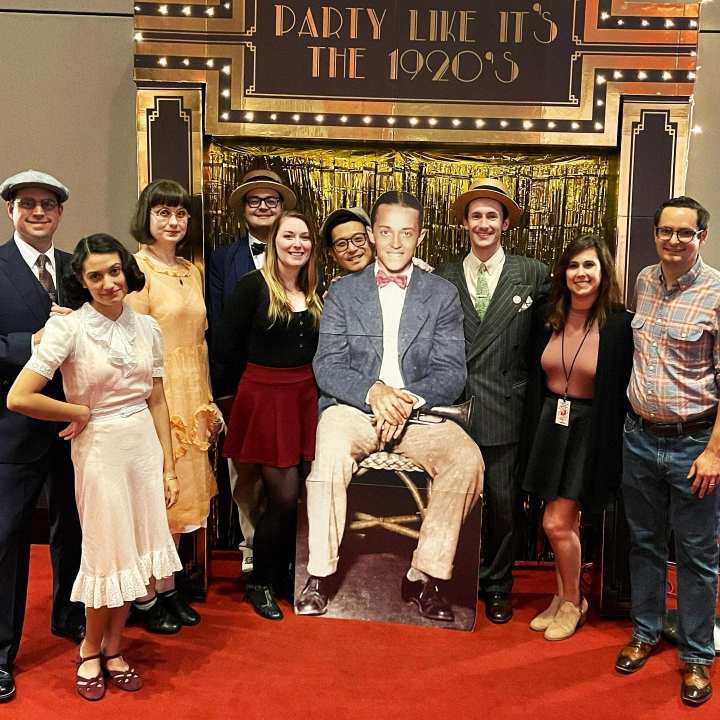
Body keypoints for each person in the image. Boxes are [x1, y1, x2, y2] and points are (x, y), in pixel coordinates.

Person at [7, 234, 181, 701]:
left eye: (114, 271)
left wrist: (168, 467)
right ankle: (89, 649)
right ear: (80, 282)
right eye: (95, 276)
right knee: (108, 554)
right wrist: (78, 413)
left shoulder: (147, 328)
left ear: (127, 269)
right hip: (99, 448)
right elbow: (19, 396)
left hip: (142, 445)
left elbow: (158, 400)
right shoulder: (68, 328)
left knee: (137, 554)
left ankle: (116, 647)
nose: (108, 283)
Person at [296, 191, 484, 622]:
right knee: (328, 455)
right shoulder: (344, 293)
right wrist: (374, 392)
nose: (396, 243)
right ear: (372, 235)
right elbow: (327, 366)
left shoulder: (442, 294)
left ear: (421, 236)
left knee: (466, 459)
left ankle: (425, 576)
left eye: (406, 233)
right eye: (385, 232)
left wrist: (406, 401)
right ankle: (321, 574)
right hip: (355, 408)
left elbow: (451, 373)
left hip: (419, 413)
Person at [615, 196, 720, 706]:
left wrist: (715, 452)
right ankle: (645, 632)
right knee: (644, 544)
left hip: (695, 444)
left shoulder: (717, 293)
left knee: (698, 557)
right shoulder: (644, 281)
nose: (673, 241)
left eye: (685, 232)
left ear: (702, 236)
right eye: (665, 232)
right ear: (654, 234)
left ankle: (698, 656)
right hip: (639, 438)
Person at [436, 179, 549, 624]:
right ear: (464, 222)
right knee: (454, 501)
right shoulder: (442, 276)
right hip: (452, 409)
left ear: (505, 224)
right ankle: (452, 577)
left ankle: (497, 583)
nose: (484, 224)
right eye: (476, 215)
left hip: (506, 408)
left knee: (503, 505)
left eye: (492, 216)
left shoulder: (534, 273)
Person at [521, 235, 632, 640]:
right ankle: (561, 594)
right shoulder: (546, 316)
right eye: (573, 266)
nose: (580, 274)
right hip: (551, 423)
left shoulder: (619, 325)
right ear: (562, 273)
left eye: (589, 266)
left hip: (590, 429)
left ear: (603, 273)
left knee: (557, 523)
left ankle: (574, 603)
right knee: (559, 522)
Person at [0, 170, 84, 704]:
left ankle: (69, 616)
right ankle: (1, 653)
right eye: (27, 203)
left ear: (59, 212)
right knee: (5, 540)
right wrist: (26, 341)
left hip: (74, 421)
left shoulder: (78, 268)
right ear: (10, 209)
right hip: (12, 427)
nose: (37, 212)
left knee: (73, 527)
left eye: (48, 204)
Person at [125, 179, 221, 632]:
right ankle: (144, 598)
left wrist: (207, 398)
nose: (172, 221)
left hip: (193, 392)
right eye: (162, 212)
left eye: (180, 214)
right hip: (156, 395)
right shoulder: (136, 268)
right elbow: (133, 345)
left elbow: (200, 339)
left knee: (185, 502)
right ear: (146, 216)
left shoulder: (191, 268)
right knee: (156, 501)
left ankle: (168, 588)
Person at [217, 210, 322, 620]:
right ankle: (259, 580)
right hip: (263, 398)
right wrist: (229, 405)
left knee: (295, 498)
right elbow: (225, 349)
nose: (297, 243)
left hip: (304, 397)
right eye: (288, 235)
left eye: (304, 237)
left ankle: (278, 572)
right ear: (274, 240)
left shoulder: (314, 290)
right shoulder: (251, 288)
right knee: (280, 496)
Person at [207, 169, 297, 573]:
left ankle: (283, 556)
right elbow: (217, 325)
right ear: (243, 209)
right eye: (254, 201)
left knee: (286, 483)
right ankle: (250, 553)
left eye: (271, 201)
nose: (263, 207)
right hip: (241, 389)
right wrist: (227, 392)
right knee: (244, 478)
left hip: (291, 394)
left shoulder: (305, 263)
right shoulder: (222, 259)